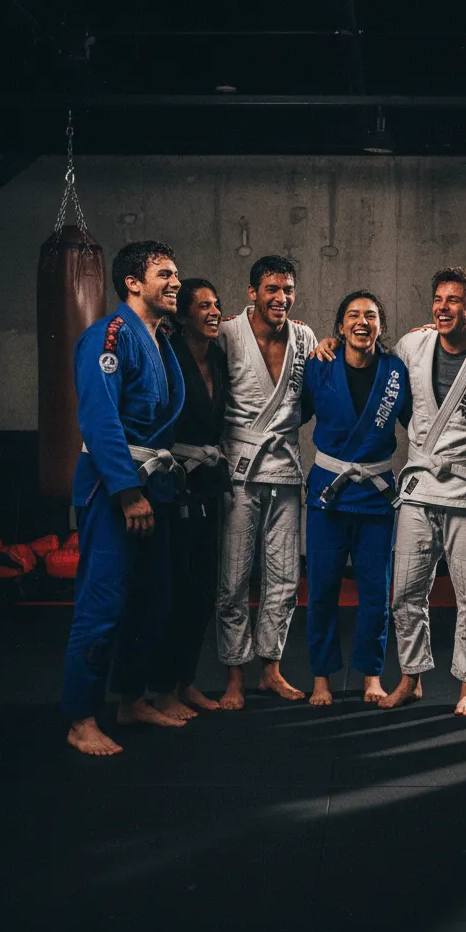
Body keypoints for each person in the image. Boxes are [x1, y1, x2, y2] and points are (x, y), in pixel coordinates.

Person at [62, 240, 187, 756]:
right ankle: (80, 717)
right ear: (133, 283)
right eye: (164, 273)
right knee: (103, 602)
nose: (175, 281)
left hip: (151, 485)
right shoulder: (109, 335)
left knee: (151, 601)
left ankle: (130, 698)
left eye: (175, 272)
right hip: (116, 488)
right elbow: (98, 418)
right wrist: (127, 491)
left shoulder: (159, 340)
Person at [380, 268, 466, 716]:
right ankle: (411, 677)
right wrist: (334, 345)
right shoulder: (413, 344)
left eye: (455, 300)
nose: (443, 307)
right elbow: (381, 383)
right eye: (438, 299)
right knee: (405, 592)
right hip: (419, 487)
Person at [216, 255, 317, 709]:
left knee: (284, 576)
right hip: (240, 468)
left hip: (286, 465)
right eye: (272, 289)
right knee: (234, 576)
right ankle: (234, 674)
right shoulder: (227, 332)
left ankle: (270, 669)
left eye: (288, 289)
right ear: (252, 292)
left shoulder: (305, 336)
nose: (282, 298)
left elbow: (311, 399)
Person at [303, 291, 412, 707]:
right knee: (322, 590)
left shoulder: (396, 371)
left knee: (374, 591)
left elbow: (419, 425)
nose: (361, 322)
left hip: (374, 497)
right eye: (353, 315)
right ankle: (321, 679)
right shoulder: (320, 365)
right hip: (328, 497)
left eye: (370, 315)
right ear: (340, 326)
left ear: (381, 326)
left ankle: (371, 675)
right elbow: (293, 413)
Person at [149, 278, 230, 720]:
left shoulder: (218, 356)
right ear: (182, 316)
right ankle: (160, 689)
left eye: (217, 304)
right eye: (202, 306)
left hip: (210, 483)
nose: (214, 312)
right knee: (174, 589)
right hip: (174, 480)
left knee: (201, 590)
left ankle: (184, 681)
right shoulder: (166, 354)